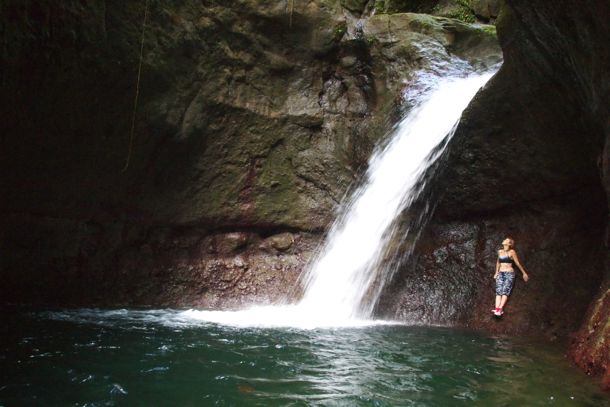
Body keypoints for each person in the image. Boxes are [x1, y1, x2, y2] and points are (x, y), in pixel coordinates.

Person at [492, 237, 529, 316]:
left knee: (505, 291)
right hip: (500, 273)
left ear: (509, 244)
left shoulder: (512, 252)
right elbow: (498, 263)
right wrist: (496, 273)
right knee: (498, 291)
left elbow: (517, 263)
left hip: (509, 274)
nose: (504, 240)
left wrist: (524, 273)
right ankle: (497, 309)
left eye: (506, 240)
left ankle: (500, 309)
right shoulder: (500, 251)